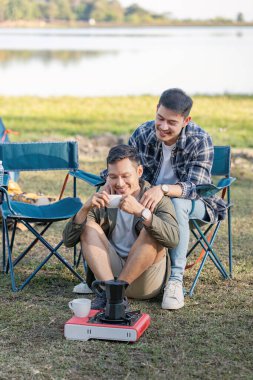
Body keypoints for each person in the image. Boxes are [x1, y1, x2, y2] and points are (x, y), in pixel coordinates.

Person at [128, 88, 227, 310]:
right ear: (156, 110)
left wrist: (161, 189)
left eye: (171, 122)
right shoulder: (142, 133)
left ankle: (174, 280)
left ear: (186, 120)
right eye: (160, 118)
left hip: (195, 205)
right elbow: (127, 168)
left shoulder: (199, 139)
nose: (163, 126)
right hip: (150, 203)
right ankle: (101, 276)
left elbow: (196, 188)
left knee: (177, 203)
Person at [63, 144, 179, 309]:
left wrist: (142, 212)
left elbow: (173, 239)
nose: (119, 183)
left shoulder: (155, 198)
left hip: (145, 280)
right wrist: (85, 208)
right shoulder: (103, 197)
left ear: (139, 172)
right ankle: (111, 294)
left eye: (126, 176)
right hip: (110, 276)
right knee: (88, 227)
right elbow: (68, 241)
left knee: (150, 230)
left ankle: (114, 295)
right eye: (113, 176)